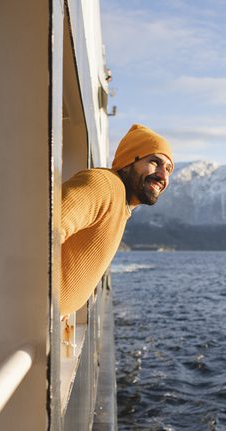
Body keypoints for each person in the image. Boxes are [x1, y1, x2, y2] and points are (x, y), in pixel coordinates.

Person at [59, 124, 173, 315]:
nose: (163, 175)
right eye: (155, 162)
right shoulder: (104, 185)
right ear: (128, 162)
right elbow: (42, 231)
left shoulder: (121, 204)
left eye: (169, 169)